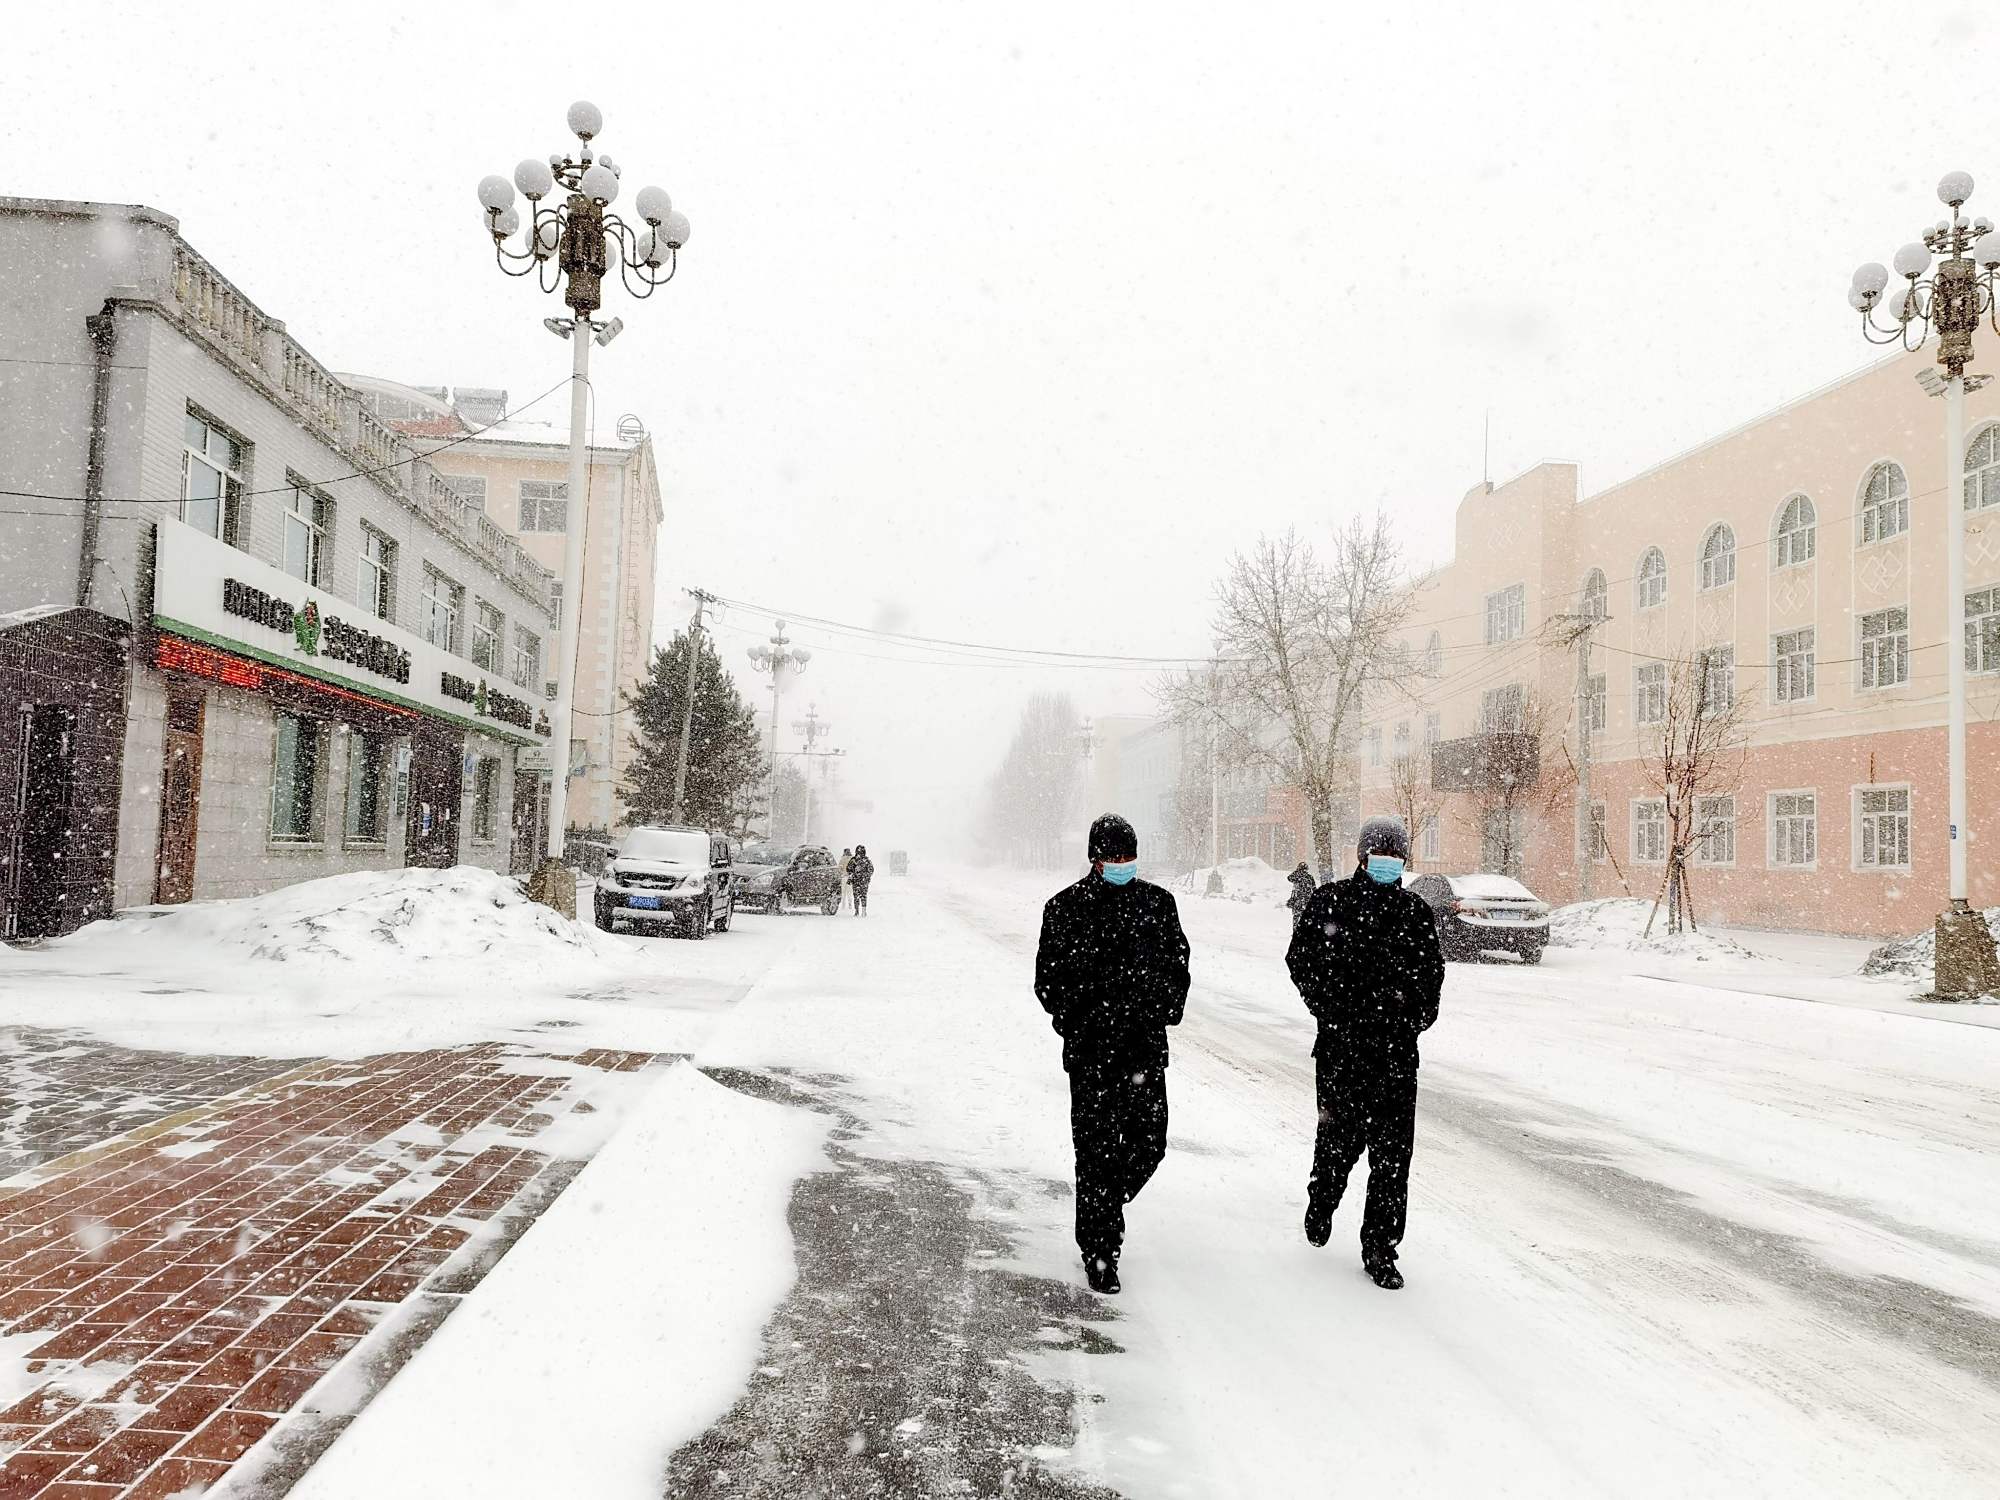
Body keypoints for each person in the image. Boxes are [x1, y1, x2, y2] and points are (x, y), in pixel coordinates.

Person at [1034, 813, 1191, 1296]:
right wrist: (1077, 1020)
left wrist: (1160, 1008)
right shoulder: (1065, 909)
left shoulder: (1157, 905)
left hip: (1144, 1050)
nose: (1123, 865)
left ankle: (1104, 1205)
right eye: (1114, 858)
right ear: (1095, 859)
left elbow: (1178, 967)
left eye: (1129, 857)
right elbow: (1048, 982)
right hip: (1091, 1054)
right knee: (1096, 1153)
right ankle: (1100, 1250)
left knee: (1150, 1145)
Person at [1284, 816, 1443, 1290]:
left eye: (1396, 858)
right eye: (1380, 857)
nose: (1388, 865)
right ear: (1361, 856)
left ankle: (1380, 1249)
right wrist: (1329, 1010)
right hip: (1341, 1051)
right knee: (1338, 1144)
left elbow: (1431, 978)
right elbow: (1301, 960)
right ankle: (1323, 1198)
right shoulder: (1330, 901)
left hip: (1397, 1058)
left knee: (1393, 1159)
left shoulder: (1415, 913)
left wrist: (1414, 1019)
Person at [1286, 861, 1316, 927]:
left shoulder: (1296, 876)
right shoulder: (1309, 877)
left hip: (1297, 899)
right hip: (1307, 900)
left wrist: (1297, 872)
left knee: (1296, 917)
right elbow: (1314, 889)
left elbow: (1289, 878)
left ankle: (1295, 931)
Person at [849, 844, 875, 915]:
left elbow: (848, 869)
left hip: (855, 881)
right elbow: (871, 870)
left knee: (856, 896)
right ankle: (864, 911)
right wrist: (866, 876)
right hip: (864, 881)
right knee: (863, 896)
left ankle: (856, 911)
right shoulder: (866, 860)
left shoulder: (853, 859)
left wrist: (853, 874)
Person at [838, 847, 853, 913]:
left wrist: (841, 873)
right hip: (850, 877)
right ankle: (850, 904)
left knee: (843, 892)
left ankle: (843, 905)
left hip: (844, 877)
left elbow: (840, 868)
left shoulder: (842, 859)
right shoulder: (852, 859)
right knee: (849, 892)